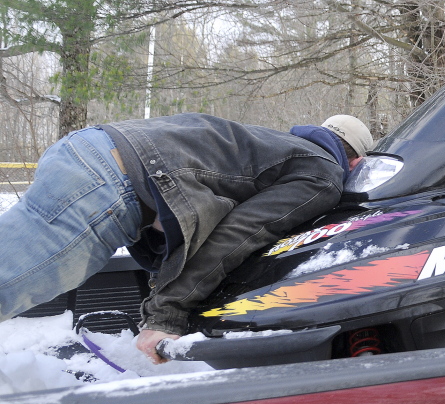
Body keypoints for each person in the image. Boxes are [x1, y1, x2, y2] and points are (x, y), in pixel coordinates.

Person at [0, 113, 375, 363]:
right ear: (356, 162)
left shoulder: (272, 143)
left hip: (88, 148)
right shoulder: (322, 173)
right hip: (110, 184)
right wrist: (167, 315)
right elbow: (238, 235)